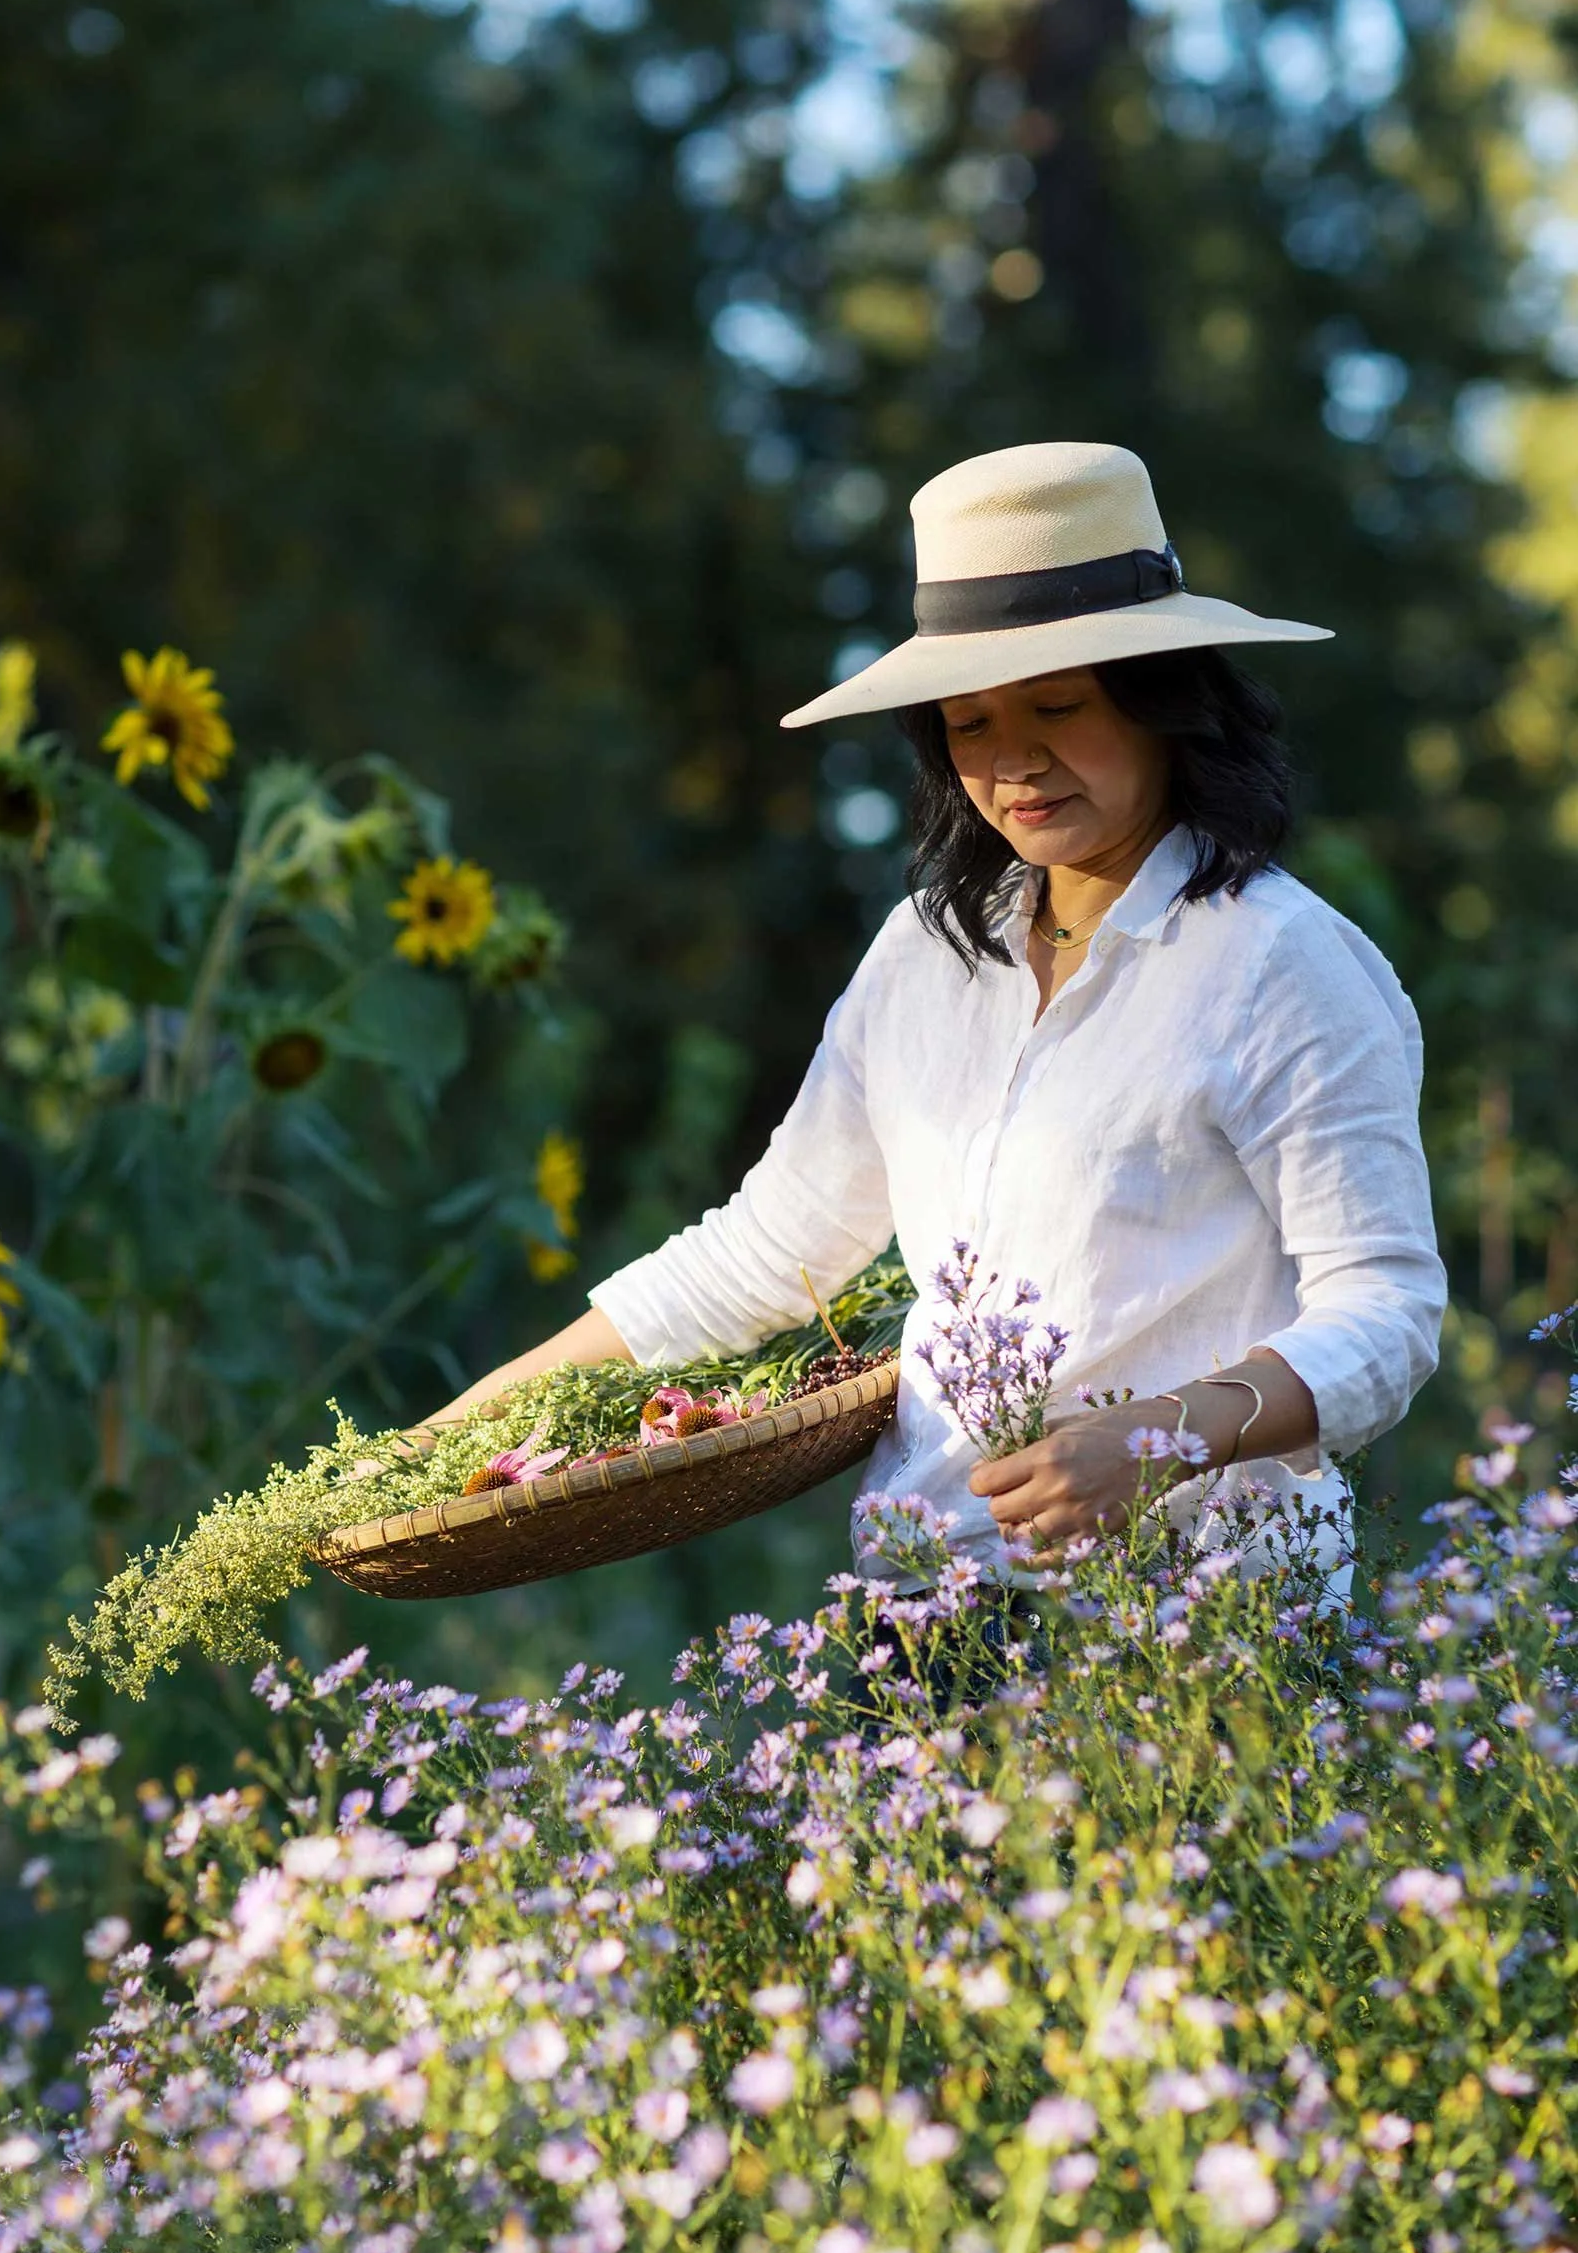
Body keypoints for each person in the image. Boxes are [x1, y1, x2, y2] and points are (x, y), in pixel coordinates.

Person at [407, 442, 1446, 1602]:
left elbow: (1387, 1312)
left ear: (1167, 699)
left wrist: (1156, 1442)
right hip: (925, 1614)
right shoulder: (925, 956)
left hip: (1193, 1628)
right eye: (968, 724)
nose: (1016, 761)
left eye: (1060, 705)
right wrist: (471, 1421)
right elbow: (765, 1250)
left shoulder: (1281, 966)